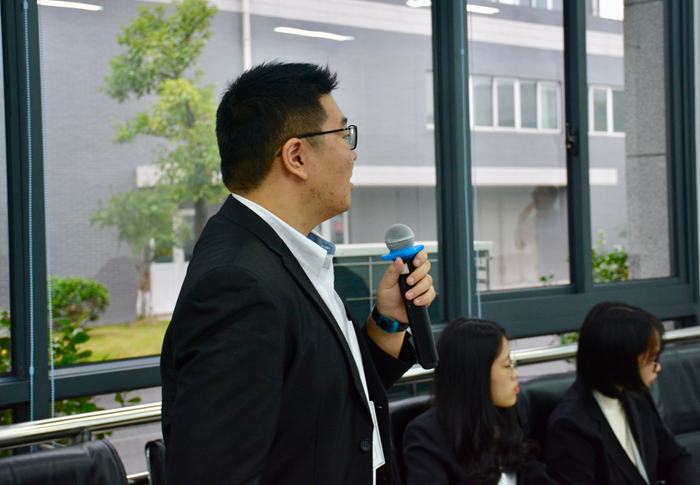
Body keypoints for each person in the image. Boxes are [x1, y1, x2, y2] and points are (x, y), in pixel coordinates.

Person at [159, 61, 435, 485]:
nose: (353, 152)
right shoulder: (238, 284)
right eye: (344, 134)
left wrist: (388, 320)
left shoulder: (284, 254)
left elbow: (328, 404)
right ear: (297, 156)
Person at [545, 301, 698, 484]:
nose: (657, 367)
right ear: (621, 361)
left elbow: (676, 459)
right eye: (651, 359)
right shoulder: (570, 426)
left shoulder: (635, 396)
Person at [403, 318, 558, 485]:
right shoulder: (427, 436)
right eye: (507, 366)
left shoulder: (505, 415)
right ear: (476, 375)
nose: (515, 374)